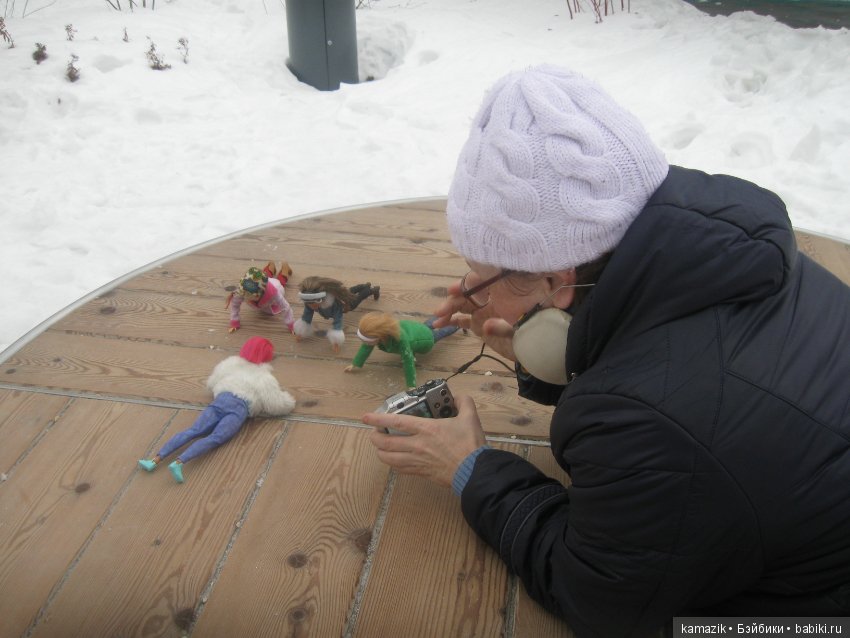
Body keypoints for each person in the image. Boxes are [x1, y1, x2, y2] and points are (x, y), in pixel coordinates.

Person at [362, 65, 850, 635]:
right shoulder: (723, 254)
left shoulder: (646, 421)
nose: (472, 292)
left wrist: (470, 467)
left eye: (481, 276)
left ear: (557, 280)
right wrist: (541, 351)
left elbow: (598, 598)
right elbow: (665, 370)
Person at [138, 336, 295, 483]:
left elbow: (212, 383)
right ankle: (179, 463)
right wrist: (290, 402)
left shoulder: (230, 364)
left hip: (220, 401)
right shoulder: (264, 378)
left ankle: (154, 460)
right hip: (238, 410)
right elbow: (276, 405)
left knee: (193, 430)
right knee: (216, 437)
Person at [344, 312, 459, 389]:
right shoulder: (384, 331)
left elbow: (408, 361)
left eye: (368, 341)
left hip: (425, 339)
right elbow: (366, 346)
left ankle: (458, 324)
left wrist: (411, 385)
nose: (366, 344)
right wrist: (356, 363)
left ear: (379, 336)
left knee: (441, 332)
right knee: (430, 323)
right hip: (414, 328)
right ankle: (447, 313)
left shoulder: (401, 341)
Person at [293, 276, 380, 352]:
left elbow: (338, 319)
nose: (312, 307)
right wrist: (301, 332)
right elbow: (307, 315)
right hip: (340, 297)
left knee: (357, 298)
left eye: (314, 304)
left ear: (321, 299)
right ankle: (365, 286)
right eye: (309, 304)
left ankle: (372, 290)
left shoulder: (333, 305)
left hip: (346, 305)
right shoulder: (309, 302)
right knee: (349, 291)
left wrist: (336, 340)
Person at [225, 261, 295, 334]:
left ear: (260, 294)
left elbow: (285, 307)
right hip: (263, 283)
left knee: (281, 282)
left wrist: (291, 325)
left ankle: (285, 269)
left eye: (250, 296)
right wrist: (234, 321)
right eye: (244, 294)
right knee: (263, 277)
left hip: (276, 287)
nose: (245, 297)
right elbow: (235, 304)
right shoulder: (243, 290)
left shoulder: (275, 293)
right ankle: (270, 266)